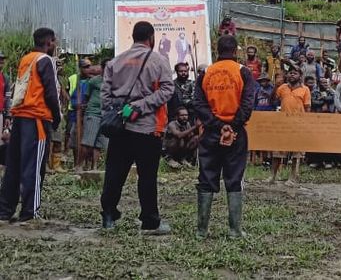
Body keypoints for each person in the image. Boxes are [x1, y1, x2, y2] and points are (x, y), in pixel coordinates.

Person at [100, 21, 175, 234]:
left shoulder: (116, 61)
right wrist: (141, 106)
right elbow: (168, 90)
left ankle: (108, 216)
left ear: (133, 36)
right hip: (146, 128)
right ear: (151, 38)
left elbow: (105, 94)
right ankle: (150, 221)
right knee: (147, 176)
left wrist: (115, 113)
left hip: (120, 128)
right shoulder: (159, 60)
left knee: (114, 173)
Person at [192, 35, 254, 239]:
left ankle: (202, 231)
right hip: (236, 134)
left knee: (206, 176)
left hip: (210, 133)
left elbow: (199, 104)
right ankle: (235, 230)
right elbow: (247, 105)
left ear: (217, 51)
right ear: (236, 51)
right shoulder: (243, 72)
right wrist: (231, 126)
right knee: (234, 178)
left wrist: (217, 125)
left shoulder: (206, 73)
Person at [0, 28, 61, 223]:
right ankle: (30, 213)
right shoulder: (45, 60)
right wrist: (57, 117)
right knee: (33, 166)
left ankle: (4, 210)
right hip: (37, 118)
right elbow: (51, 93)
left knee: (14, 166)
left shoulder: (26, 59)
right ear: (49, 42)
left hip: (20, 116)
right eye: (54, 42)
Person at [270, 67, 311, 185]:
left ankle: (293, 177)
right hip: (283, 123)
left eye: (295, 73)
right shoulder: (282, 88)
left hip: (298, 124)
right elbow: (273, 101)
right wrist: (276, 86)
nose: (292, 75)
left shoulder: (305, 89)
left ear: (300, 75)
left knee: (296, 153)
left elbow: (307, 108)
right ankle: (273, 176)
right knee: (277, 151)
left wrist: (306, 123)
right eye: (290, 73)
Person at [81, 63, 107, 170]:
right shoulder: (94, 81)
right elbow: (86, 96)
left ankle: (94, 167)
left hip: (105, 115)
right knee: (88, 142)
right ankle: (81, 165)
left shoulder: (113, 81)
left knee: (99, 144)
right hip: (93, 113)